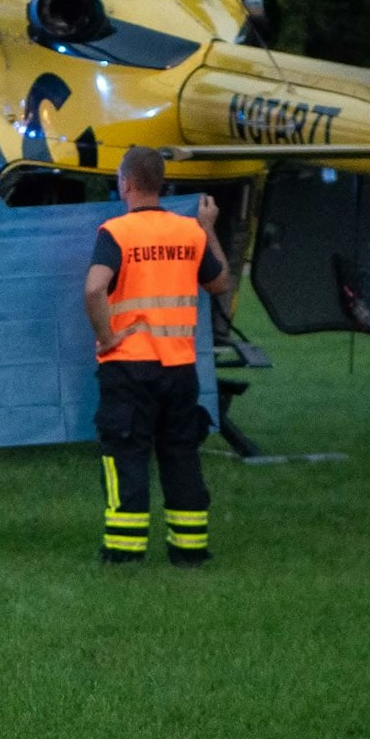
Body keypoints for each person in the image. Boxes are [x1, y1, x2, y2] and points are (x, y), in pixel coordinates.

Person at [82, 146, 231, 566]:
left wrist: (106, 337)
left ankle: (123, 552)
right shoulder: (190, 233)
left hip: (128, 365)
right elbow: (220, 283)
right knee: (180, 453)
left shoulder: (116, 232)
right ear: (160, 183)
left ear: (126, 183)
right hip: (180, 366)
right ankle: (190, 550)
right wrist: (208, 228)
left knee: (125, 453)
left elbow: (95, 288)